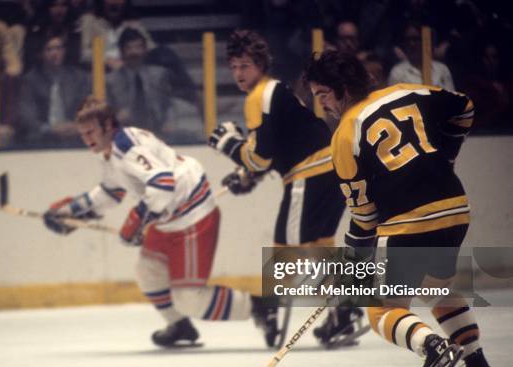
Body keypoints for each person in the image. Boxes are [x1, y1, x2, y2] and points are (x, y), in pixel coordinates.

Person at [303, 50, 498, 367]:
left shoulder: (344, 136)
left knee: (381, 309)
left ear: (342, 88)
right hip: (454, 208)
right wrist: (446, 157)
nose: (322, 105)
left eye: (323, 94)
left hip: (410, 221)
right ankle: (478, 364)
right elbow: (465, 106)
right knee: (435, 287)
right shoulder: (407, 91)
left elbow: (365, 219)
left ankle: (433, 346)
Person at [42, 97, 279, 348]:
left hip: (191, 215)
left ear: (108, 126)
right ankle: (179, 325)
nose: (86, 139)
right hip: (167, 215)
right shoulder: (109, 152)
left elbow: (163, 183)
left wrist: (137, 220)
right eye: (82, 134)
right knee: (148, 272)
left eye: (91, 132)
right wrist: (72, 210)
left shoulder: (126, 147)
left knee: (189, 299)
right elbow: (111, 192)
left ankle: (260, 306)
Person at [207, 29, 359, 347]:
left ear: (261, 64)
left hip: (308, 175)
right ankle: (343, 312)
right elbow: (274, 149)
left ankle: (274, 309)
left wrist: (228, 144)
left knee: (285, 251)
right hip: (334, 171)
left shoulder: (258, 96)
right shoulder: (275, 92)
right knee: (319, 246)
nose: (238, 73)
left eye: (245, 65)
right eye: (234, 66)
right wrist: (246, 173)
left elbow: (260, 158)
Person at [18, 31, 91, 147]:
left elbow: (88, 108)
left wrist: (76, 126)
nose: (54, 53)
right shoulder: (30, 80)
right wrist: (50, 129)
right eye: (49, 49)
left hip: (74, 137)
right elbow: (27, 115)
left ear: (64, 51)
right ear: (40, 54)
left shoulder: (79, 78)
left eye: (58, 48)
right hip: (41, 140)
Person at [388, 21, 454, 90]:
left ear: (426, 40)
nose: (412, 44)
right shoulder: (398, 72)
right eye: (408, 39)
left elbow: (453, 97)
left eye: (416, 39)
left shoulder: (442, 69)